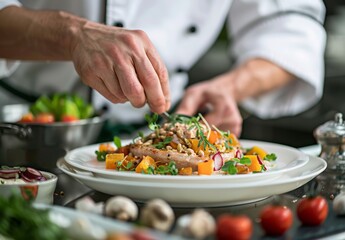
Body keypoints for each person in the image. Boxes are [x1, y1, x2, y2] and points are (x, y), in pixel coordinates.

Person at [0, 0, 326, 137]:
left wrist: (232, 87)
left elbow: (289, 24)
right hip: (26, 131)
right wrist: (72, 35)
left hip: (155, 130)